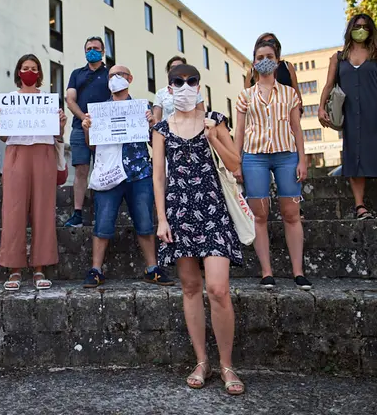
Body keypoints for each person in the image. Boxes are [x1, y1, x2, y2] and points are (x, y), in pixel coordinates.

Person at [153, 64, 244, 396]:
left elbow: (236, 164)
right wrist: (162, 219)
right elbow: (158, 177)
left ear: (199, 85)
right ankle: (202, 361)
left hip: (213, 211)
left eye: (191, 81)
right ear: (170, 88)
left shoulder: (216, 120)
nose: (185, 86)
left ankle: (227, 364)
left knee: (218, 289)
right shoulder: (161, 129)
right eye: (178, 82)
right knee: (191, 287)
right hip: (178, 213)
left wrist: (213, 138)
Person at [81, 65, 172, 288]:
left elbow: (154, 144)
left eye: (120, 74)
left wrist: (153, 124)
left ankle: (152, 268)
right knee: (102, 223)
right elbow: (91, 145)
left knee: (145, 222)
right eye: (111, 75)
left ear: (130, 79)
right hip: (108, 174)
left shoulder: (143, 108)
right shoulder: (98, 111)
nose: (115, 78)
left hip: (138, 173)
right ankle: (96, 270)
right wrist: (86, 128)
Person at [235, 41, 313, 291]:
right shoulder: (245, 95)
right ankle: (266, 272)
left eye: (269, 56)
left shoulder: (290, 94)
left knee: (291, 213)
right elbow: (239, 131)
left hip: (286, 155)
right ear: (254, 62)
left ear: (278, 61)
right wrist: (236, 163)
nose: (264, 59)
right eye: (260, 56)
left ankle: (298, 272)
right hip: (254, 156)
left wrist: (302, 159)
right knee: (260, 215)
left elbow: (296, 129)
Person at [0, 54, 68, 290]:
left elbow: (57, 136)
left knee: (43, 209)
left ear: (39, 74)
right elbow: (5, 137)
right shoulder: (10, 100)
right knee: (13, 209)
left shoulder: (48, 101)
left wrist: (62, 125)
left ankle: (39, 268)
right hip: (16, 153)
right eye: (25, 68)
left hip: (44, 152)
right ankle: (14, 269)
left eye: (34, 68)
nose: (29, 72)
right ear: (18, 72)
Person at [319, 14, 377, 220]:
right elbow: (328, 84)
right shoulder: (338, 57)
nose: (361, 29)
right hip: (352, 116)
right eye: (357, 26)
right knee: (354, 160)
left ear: (370, 29)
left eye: (364, 26)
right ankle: (360, 206)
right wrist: (320, 107)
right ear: (350, 29)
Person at [63, 36, 113, 228]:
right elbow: (70, 99)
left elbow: (117, 97)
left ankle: (105, 212)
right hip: (79, 128)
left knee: (105, 169)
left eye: (96, 48)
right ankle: (77, 213)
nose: (92, 50)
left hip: (105, 130)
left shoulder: (110, 74)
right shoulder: (76, 73)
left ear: (102, 52)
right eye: (89, 48)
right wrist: (84, 117)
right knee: (81, 170)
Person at [244, 33, 302, 109]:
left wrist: (298, 110)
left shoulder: (287, 66)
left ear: (277, 46)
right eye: (262, 42)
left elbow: (296, 93)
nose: (267, 44)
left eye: (271, 41)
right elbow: (246, 100)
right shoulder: (251, 72)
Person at [153, 56, 204, 123]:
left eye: (180, 66)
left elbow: (202, 116)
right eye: (173, 68)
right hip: (167, 131)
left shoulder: (193, 90)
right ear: (169, 72)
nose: (176, 69)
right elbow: (156, 119)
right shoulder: (161, 93)